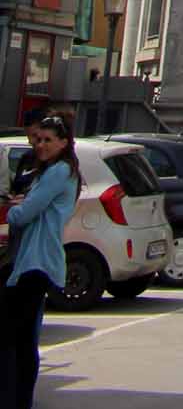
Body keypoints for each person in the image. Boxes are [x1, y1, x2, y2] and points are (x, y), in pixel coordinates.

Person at [0, 111, 80, 409]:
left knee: (13, 337)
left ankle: (15, 400)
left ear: (63, 142)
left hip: (37, 262)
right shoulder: (55, 170)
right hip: (32, 261)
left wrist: (15, 210)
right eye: (37, 140)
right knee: (20, 337)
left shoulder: (59, 171)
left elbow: (27, 212)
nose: (40, 145)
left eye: (47, 140)